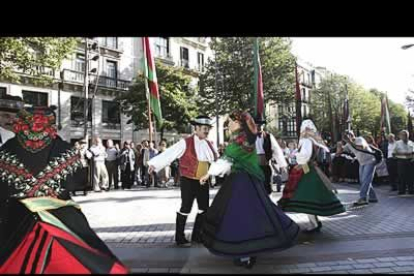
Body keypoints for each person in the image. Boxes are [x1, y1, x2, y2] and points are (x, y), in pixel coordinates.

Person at [0, 106, 128, 273]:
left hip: (15, 223)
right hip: (62, 222)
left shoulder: (5, 151)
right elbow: (78, 182)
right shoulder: (65, 150)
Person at [199, 111, 299, 269]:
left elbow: (227, 160)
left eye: (231, 122)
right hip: (247, 180)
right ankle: (249, 252)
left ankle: (245, 254)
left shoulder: (241, 140)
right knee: (255, 213)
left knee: (242, 215)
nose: (228, 125)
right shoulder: (244, 137)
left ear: (240, 124)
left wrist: (209, 173)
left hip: (242, 182)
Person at [148, 115, 218, 247]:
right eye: (204, 128)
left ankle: (198, 235)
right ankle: (179, 238)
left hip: (203, 181)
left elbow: (215, 160)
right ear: (196, 128)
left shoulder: (209, 144)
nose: (207, 131)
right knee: (186, 207)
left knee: (204, 209)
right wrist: (155, 164)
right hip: (188, 180)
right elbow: (170, 153)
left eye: (208, 129)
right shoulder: (186, 142)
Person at [278, 120, 346, 233]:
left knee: (307, 197)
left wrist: (297, 155)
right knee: (311, 197)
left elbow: (305, 155)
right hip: (310, 169)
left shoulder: (306, 141)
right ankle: (314, 223)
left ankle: (314, 224)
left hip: (306, 170)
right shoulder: (313, 141)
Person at [254, 117, 288, 195]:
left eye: (260, 125)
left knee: (266, 187)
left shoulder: (268, 136)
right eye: (256, 125)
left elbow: (277, 151)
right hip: (254, 167)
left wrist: (282, 165)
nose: (259, 127)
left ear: (263, 126)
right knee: (255, 188)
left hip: (265, 165)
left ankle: (267, 204)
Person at [343, 133, 379, 206]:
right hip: (362, 162)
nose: (348, 137)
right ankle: (373, 197)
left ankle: (363, 198)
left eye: (349, 135)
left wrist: (350, 141)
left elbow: (361, 147)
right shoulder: (348, 144)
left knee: (365, 180)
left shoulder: (359, 139)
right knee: (363, 180)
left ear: (353, 135)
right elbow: (343, 149)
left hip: (370, 160)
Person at [393, 130, 414, 195]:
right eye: (403, 135)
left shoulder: (411, 143)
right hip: (401, 161)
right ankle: (402, 190)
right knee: (401, 176)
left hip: (410, 161)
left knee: (411, 176)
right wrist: (403, 153)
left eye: (406, 135)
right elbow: (394, 153)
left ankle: (411, 189)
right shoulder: (397, 143)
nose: (405, 136)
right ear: (400, 136)